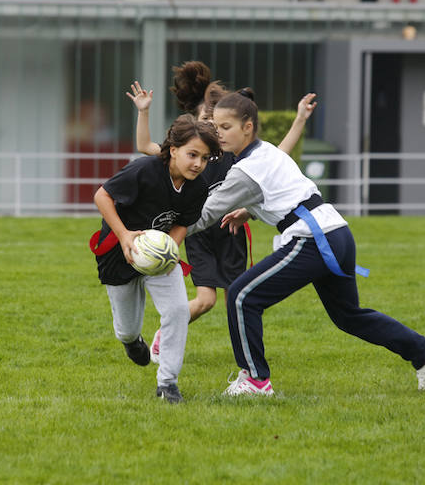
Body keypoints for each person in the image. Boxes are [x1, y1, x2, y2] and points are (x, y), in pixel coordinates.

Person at [188, 89, 425, 396]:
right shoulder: (266, 152)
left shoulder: (247, 166)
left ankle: (255, 381)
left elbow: (205, 215)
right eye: (215, 126)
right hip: (336, 232)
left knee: (241, 296)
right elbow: (286, 191)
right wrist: (248, 212)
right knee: (348, 315)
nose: (218, 133)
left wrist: (163, 233)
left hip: (313, 238)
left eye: (225, 127)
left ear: (248, 127)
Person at [127, 63, 318, 361]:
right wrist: (143, 111)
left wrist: (299, 120)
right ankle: (165, 335)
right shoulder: (190, 154)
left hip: (230, 230)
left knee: (240, 298)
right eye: (205, 120)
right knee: (205, 301)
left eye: (216, 123)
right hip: (199, 231)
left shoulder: (233, 152)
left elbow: (277, 157)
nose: (210, 128)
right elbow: (143, 145)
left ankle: (247, 357)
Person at [92, 114, 220, 404]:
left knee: (176, 310)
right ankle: (131, 342)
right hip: (119, 250)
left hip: (159, 253)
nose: (198, 163)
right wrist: (124, 235)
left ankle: (168, 384)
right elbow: (102, 196)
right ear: (173, 149)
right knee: (126, 328)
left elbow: (183, 223)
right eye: (192, 154)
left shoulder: (198, 187)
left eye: (205, 158)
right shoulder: (145, 169)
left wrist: (169, 250)